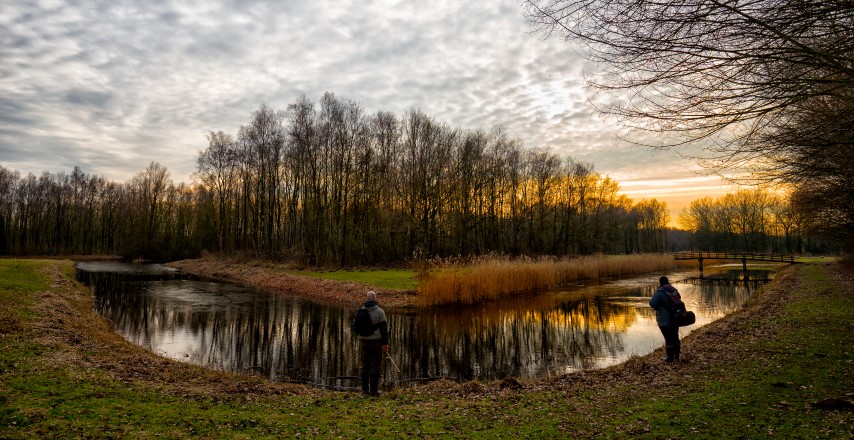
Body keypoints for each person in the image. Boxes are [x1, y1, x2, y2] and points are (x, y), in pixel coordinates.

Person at [356, 290, 389, 396]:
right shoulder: (380, 311)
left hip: (363, 341)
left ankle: (364, 390)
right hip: (376, 342)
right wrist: (385, 343)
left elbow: (355, 327)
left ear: (367, 298)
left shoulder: (360, 311)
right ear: (374, 298)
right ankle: (373, 391)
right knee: (375, 365)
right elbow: (384, 328)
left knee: (365, 364)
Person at [649, 276, 682, 362]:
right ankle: (677, 356)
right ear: (667, 281)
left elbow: (652, 303)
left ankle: (670, 358)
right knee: (675, 337)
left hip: (664, 319)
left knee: (668, 338)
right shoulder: (674, 290)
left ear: (660, 283)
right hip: (676, 318)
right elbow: (679, 298)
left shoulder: (660, 291)